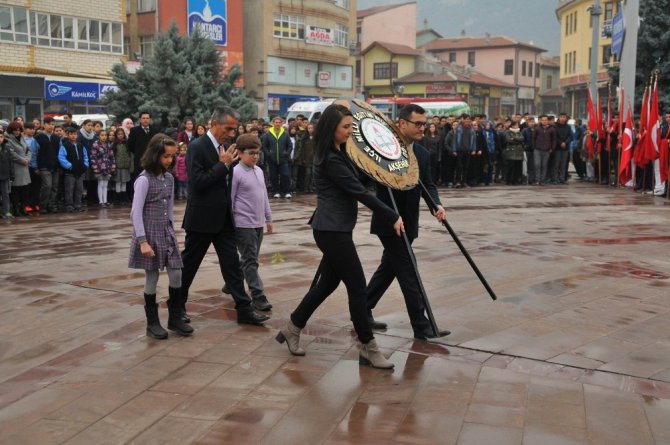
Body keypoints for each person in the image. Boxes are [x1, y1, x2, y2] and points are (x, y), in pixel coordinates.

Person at [276, 104, 404, 369]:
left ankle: (292, 328)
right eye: (345, 127)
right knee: (357, 288)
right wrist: (391, 216)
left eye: (350, 127)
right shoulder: (331, 159)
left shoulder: (340, 152)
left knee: (326, 285)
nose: (349, 132)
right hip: (331, 230)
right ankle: (368, 347)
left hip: (335, 228)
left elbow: (361, 179)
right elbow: (359, 191)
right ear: (330, 129)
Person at [365, 104, 450, 340]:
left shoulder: (422, 154)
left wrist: (436, 205)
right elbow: (368, 185)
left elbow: (428, 184)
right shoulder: (383, 151)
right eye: (418, 124)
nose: (423, 127)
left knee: (389, 269)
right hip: (389, 221)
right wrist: (388, 214)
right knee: (408, 270)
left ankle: (362, 309)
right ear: (402, 123)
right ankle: (421, 325)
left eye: (425, 123)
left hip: (410, 222)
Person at [180, 106, 270, 328]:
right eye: (227, 128)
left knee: (231, 266)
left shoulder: (225, 147)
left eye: (233, 129)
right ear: (213, 124)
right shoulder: (197, 147)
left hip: (223, 219)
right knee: (188, 266)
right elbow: (198, 183)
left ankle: (244, 309)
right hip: (201, 219)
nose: (231, 134)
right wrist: (222, 165)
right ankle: (177, 307)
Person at [129, 134, 191, 339]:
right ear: (155, 155)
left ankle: (175, 318)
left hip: (166, 232)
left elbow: (170, 207)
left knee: (176, 273)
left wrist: (171, 229)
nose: (170, 160)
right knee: (152, 276)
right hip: (148, 233)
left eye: (172, 157)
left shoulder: (169, 178)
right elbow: (135, 212)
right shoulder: (144, 180)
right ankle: (152, 323)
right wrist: (143, 241)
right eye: (166, 156)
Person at [230, 134, 273, 312]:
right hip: (243, 223)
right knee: (250, 260)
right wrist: (231, 223)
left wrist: (268, 218)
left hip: (258, 223)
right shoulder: (235, 172)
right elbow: (230, 200)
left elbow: (263, 196)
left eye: (258, 153)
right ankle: (258, 295)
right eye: (251, 153)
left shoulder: (259, 171)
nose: (255, 156)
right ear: (240, 153)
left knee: (250, 258)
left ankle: (231, 282)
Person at [58, 127, 88, 213]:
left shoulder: (80, 145)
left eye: (75, 134)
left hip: (80, 172)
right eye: (71, 134)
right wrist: (70, 166)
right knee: (69, 189)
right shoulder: (65, 145)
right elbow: (61, 157)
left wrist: (85, 165)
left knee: (79, 189)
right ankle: (69, 206)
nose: (73, 136)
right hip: (69, 172)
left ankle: (78, 205)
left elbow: (85, 156)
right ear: (68, 135)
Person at [35, 117, 61, 213]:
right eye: (49, 124)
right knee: (47, 186)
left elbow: (60, 153)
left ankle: (52, 205)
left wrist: (59, 165)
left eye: (53, 124)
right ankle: (43, 206)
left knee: (55, 187)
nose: (51, 126)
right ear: (44, 125)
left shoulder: (57, 138)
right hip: (43, 166)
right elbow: (35, 152)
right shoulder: (38, 137)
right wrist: (36, 166)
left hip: (55, 166)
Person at [261, 116, 292, 198]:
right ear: (273, 123)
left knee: (285, 175)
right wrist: (268, 154)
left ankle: (287, 191)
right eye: (276, 122)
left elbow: (290, 146)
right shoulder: (268, 134)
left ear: (282, 123)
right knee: (273, 176)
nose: (277, 124)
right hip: (272, 160)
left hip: (283, 159)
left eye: (279, 122)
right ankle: (276, 191)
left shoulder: (285, 134)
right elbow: (264, 146)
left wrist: (287, 153)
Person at [5, 121, 31, 216]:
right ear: (11, 130)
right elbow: (11, 153)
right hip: (16, 168)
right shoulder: (8, 139)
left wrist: (27, 159)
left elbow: (28, 150)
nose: (17, 132)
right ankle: (16, 209)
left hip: (25, 168)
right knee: (16, 190)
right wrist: (22, 160)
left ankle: (23, 208)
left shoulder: (22, 138)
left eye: (19, 130)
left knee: (25, 190)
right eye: (15, 130)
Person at [90, 129, 116, 207]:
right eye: (102, 135)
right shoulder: (95, 145)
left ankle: (105, 200)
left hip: (107, 167)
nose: (104, 137)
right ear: (98, 136)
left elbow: (112, 156)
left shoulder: (109, 145)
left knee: (105, 184)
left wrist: (112, 166)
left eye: (105, 135)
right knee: (100, 184)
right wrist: (96, 167)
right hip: (99, 167)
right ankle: (101, 201)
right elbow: (93, 157)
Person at [128, 111, 158, 177]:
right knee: (139, 179)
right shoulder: (134, 130)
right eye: (143, 118)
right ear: (140, 119)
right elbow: (130, 145)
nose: (145, 120)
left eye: (147, 118)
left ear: (150, 119)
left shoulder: (155, 130)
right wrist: (137, 151)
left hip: (151, 160)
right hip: (139, 160)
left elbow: (157, 144)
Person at [112, 128, 133, 205]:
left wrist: (129, 164)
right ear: (116, 135)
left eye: (122, 134)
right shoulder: (114, 144)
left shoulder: (127, 144)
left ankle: (124, 198)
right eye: (119, 134)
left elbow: (129, 155)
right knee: (118, 182)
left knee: (124, 182)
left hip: (125, 166)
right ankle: (118, 198)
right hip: (117, 167)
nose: (120, 135)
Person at [0, 132, 14, 219]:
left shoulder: (6, 147)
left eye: (1, 137)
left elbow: (10, 162)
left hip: (5, 175)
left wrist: (12, 174)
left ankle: (6, 211)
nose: (0, 139)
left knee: (5, 194)